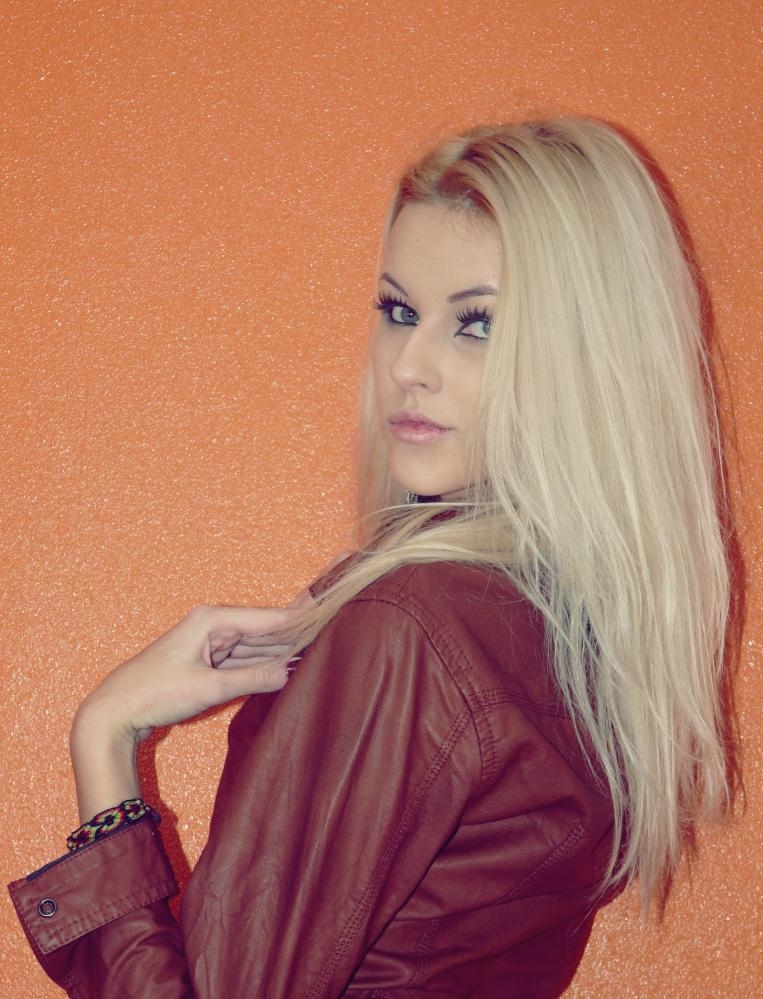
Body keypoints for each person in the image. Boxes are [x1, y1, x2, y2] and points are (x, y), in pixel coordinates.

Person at [9, 118, 733, 998]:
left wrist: (106, 737)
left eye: (476, 324)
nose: (408, 365)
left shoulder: (412, 628)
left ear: (593, 357)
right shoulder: (572, 640)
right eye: (398, 312)